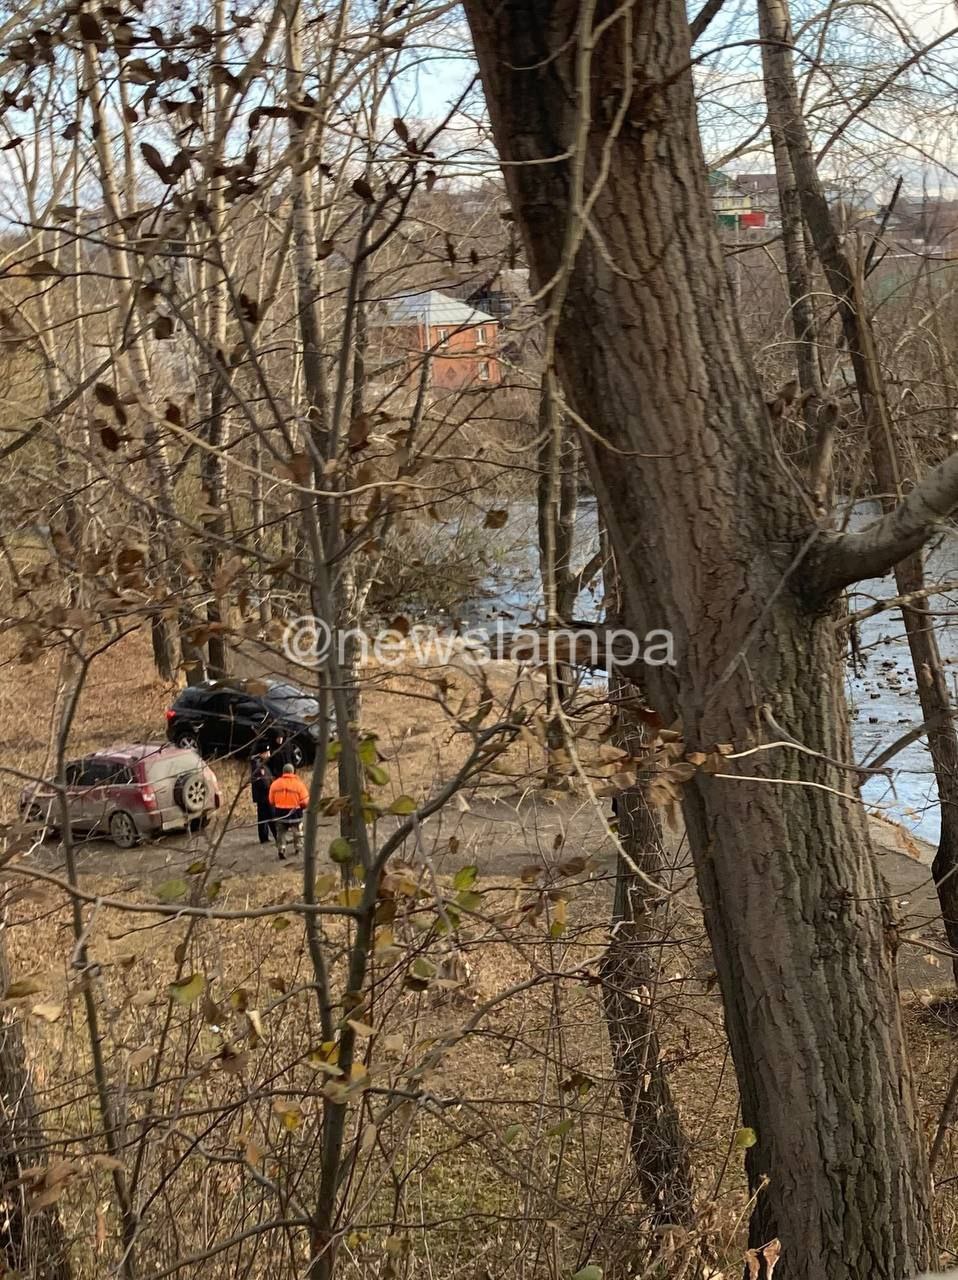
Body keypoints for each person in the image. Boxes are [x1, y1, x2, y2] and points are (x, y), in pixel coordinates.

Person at [268, 763, 309, 860]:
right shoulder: (299, 784)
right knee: (298, 831)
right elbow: (305, 801)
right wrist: (301, 807)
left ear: (283, 772)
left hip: (280, 813)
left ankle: (281, 849)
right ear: (293, 772)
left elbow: (271, 800)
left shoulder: (275, 784)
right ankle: (298, 847)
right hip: (295, 813)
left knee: (281, 832)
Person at [250, 752, 275, 845]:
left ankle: (264, 836)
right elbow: (262, 782)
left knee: (263, 816)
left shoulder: (262, 764)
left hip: (263, 795)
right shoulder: (258, 766)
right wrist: (270, 786)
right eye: (267, 752)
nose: (269, 754)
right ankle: (274, 836)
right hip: (263, 795)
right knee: (269, 815)